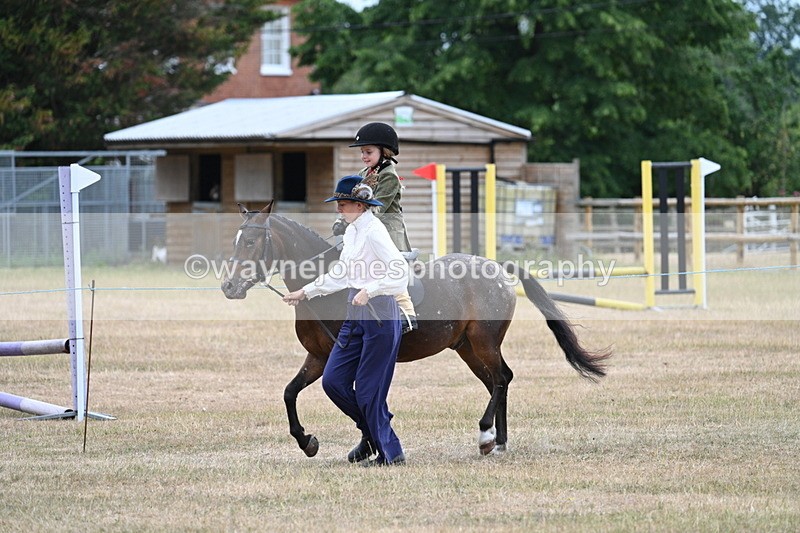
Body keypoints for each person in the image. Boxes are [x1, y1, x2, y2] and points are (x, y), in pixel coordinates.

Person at [283, 175, 408, 467]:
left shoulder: (374, 230)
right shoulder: (352, 232)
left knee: (367, 390)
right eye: (338, 204)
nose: (339, 210)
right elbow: (340, 274)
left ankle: (391, 453)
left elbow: (400, 271)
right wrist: (306, 292)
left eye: (343, 204)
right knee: (334, 381)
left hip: (379, 315)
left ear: (360, 205)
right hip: (355, 313)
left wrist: (371, 289)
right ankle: (373, 431)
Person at [333, 122, 418, 333]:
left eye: (368, 152)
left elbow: (376, 208)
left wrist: (349, 220)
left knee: (391, 268)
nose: (364, 156)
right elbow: (352, 201)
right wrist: (340, 221)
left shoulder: (389, 176)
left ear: (384, 152)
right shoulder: (364, 173)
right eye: (362, 152)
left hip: (387, 232)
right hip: (364, 230)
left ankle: (407, 314)